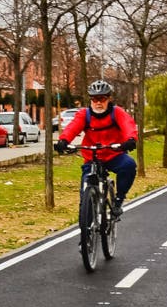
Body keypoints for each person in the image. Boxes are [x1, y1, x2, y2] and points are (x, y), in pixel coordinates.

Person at [54, 80, 139, 217]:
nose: (98, 102)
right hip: (92, 157)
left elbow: (128, 126)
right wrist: (63, 141)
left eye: (102, 99)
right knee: (85, 193)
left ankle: (119, 199)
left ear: (108, 99)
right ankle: (86, 232)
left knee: (129, 165)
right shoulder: (84, 114)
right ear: (91, 100)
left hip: (114, 155)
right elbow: (72, 128)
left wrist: (130, 140)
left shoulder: (117, 113)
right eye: (94, 99)